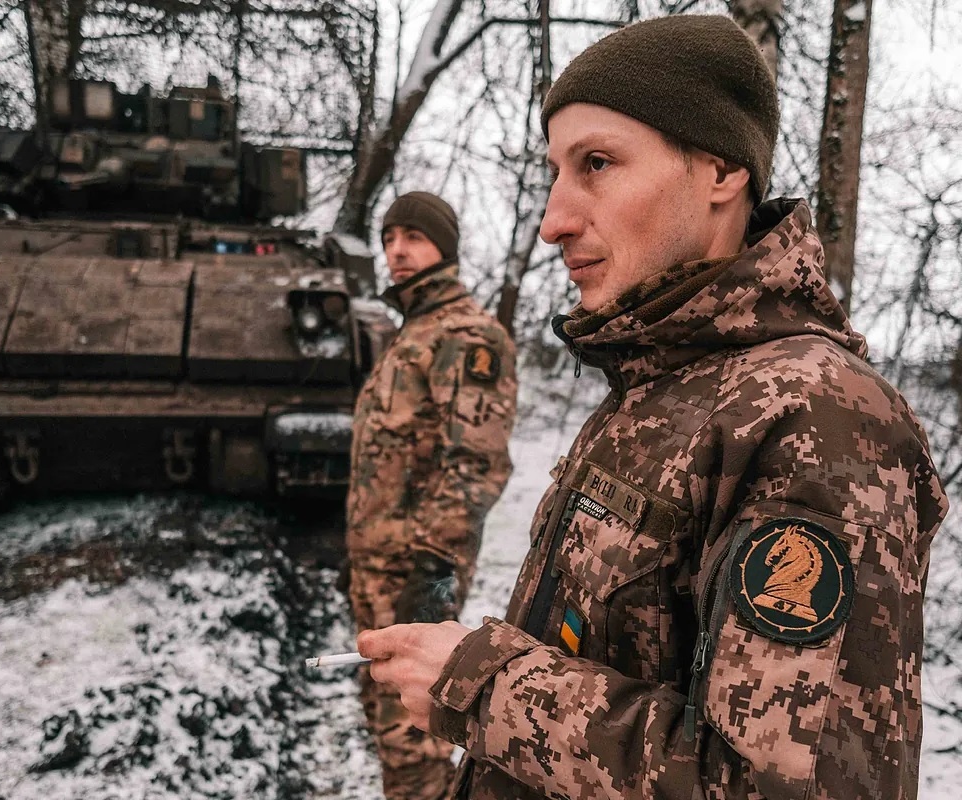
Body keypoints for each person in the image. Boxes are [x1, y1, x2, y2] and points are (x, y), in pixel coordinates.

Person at [357, 15, 949, 800]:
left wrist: (483, 683)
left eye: (596, 163)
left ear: (721, 171)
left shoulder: (816, 418)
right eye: (555, 172)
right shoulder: (661, 386)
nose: (551, 221)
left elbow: (776, 788)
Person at [346, 191, 518, 800]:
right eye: (389, 238)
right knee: (387, 722)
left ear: (444, 246)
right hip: (377, 568)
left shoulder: (467, 335)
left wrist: (432, 573)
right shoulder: (411, 332)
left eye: (413, 237)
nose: (397, 251)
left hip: (415, 573)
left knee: (412, 736)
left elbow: (475, 464)